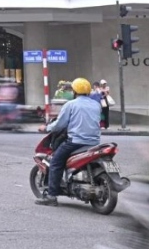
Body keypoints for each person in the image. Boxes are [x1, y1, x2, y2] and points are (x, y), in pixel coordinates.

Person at [36, 77, 101, 206]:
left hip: (76, 141)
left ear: (74, 92)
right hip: (94, 142)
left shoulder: (70, 105)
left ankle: (51, 196)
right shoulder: (96, 104)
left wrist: (46, 128)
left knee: (55, 162)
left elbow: (59, 125)